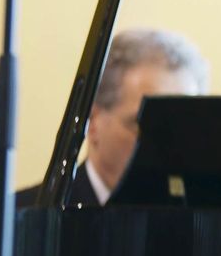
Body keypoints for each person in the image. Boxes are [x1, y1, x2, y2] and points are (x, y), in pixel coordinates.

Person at [14, 27, 210, 209]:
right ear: (93, 123)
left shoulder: (198, 219)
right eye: (145, 126)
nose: (168, 144)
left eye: (181, 128)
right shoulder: (22, 216)